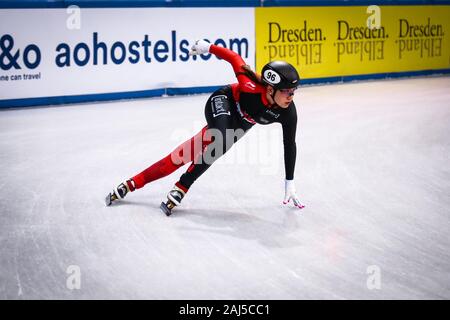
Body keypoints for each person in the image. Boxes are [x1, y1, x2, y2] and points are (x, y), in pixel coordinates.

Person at [105, 39, 305, 215]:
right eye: (287, 91)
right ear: (271, 89)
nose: (291, 96)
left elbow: (290, 145)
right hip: (224, 101)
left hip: (240, 123)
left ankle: (133, 183)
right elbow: (233, 57)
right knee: (222, 140)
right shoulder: (249, 86)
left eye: (294, 91)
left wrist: (290, 182)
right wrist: (208, 47)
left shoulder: (288, 113)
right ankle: (183, 186)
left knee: (181, 156)